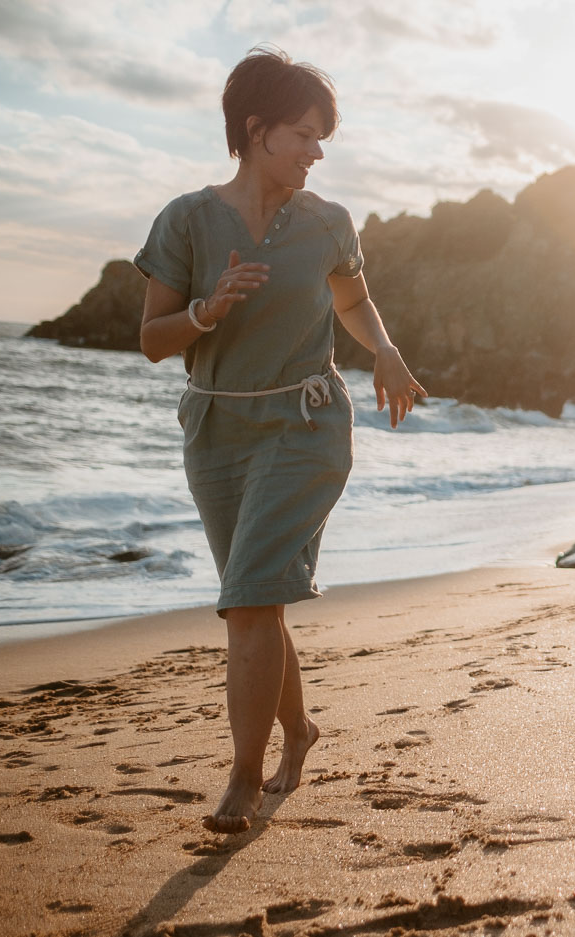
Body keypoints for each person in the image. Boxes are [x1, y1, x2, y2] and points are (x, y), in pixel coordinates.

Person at [135, 48, 427, 834]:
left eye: (321, 138)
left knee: (251, 597)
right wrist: (206, 310)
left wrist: (387, 350)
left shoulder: (329, 222)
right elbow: (153, 340)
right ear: (256, 129)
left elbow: (354, 301)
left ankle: (242, 777)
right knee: (253, 602)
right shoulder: (187, 220)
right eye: (303, 134)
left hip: (306, 425)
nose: (316, 152)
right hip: (216, 429)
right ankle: (298, 730)